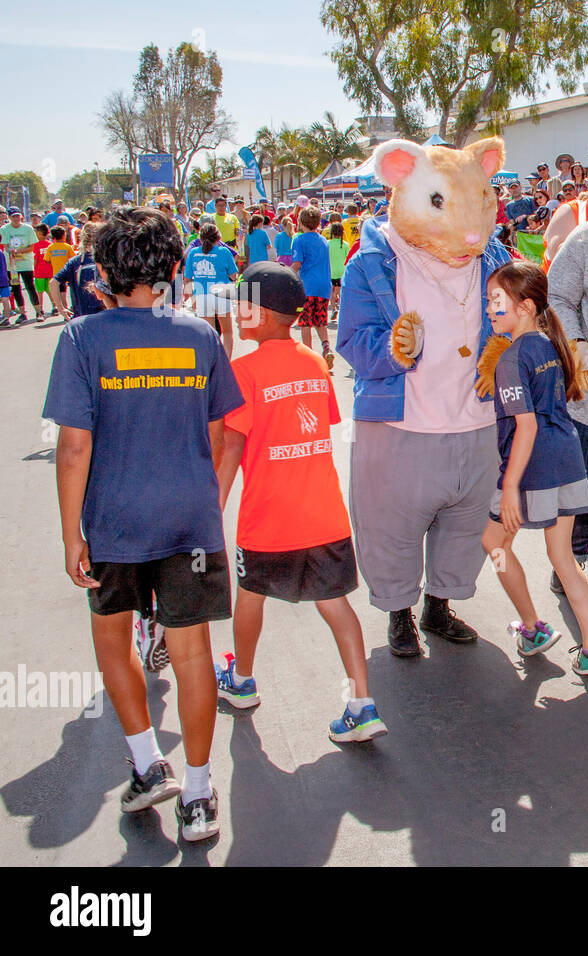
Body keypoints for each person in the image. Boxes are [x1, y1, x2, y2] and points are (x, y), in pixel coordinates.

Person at [42, 206, 244, 842]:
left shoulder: (82, 338)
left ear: (101, 270)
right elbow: (219, 436)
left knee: (115, 645)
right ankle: (202, 795)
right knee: (192, 657)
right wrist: (198, 503)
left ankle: (146, 764)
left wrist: (72, 532)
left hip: (113, 524)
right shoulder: (201, 337)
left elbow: (74, 446)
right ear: (177, 268)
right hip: (190, 522)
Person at [210, 262, 386, 742]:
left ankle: (241, 681)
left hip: (267, 520)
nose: (234, 312)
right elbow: (323, 420)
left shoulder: (241, 373)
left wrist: (211, 510)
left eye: (241, 304)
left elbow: (231, 448)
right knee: (336, 605)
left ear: (263, 315)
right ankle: (362, 704)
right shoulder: (314, 363)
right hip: (324, 517)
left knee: (250, 598)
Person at [476, 260, 588, 675]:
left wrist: (509, 488)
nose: (489, 308)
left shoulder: (511, 359)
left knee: (494, 544)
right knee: (562, 556)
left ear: (523, 306)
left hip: (531, 467)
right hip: (567, 459)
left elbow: (526, 425)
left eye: (496, 300)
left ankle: (533, 627)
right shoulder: (548, 343)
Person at [184, 224, 239, 358]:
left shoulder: (193, 253)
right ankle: (226, 363)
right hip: (221, 294)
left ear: (200, 238)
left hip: (201, 295)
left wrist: (192, 299)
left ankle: (213, 363)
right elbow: (234, 276)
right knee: (227, 333)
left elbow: (187, 279)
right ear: (218, 237)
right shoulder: (224, 252)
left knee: (210, 334)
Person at [290, 205, 334, 369]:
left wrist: (285, 274)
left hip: (307, 286)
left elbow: (297, 263)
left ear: (301, 222)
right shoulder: (323, 240)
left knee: (306, 323)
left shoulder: (299, 240)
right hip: (324, 286)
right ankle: (326, 348)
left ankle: (308, 356)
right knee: (320, 321)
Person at [48, 223, 103, 320]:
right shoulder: (108, 260)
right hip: (106, 315)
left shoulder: (75, 262)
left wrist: (61, 308)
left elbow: (53, 283)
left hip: (82, 317)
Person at [2, 207, 39, 322]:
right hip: (12, 265)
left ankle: (38, 311)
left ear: (21, 216)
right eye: (13, 216)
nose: (16, 218)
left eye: (18, 216)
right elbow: (5, 245)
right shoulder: (4, 229)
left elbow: (32, 247)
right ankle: (22, 313)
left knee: (30, 287)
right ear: (9, 217)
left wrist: (20, 251)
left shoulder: (28, 229)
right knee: (16, 288)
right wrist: (11, 251)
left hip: (26, 263)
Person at [327, 221, 348, 322]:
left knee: (332, 291)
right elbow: (347, 259)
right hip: (342, 271)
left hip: (331, 271)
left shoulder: (327, 244)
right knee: (340, 290)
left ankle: (333, 308)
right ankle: (339, 304)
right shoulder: (345, 245)